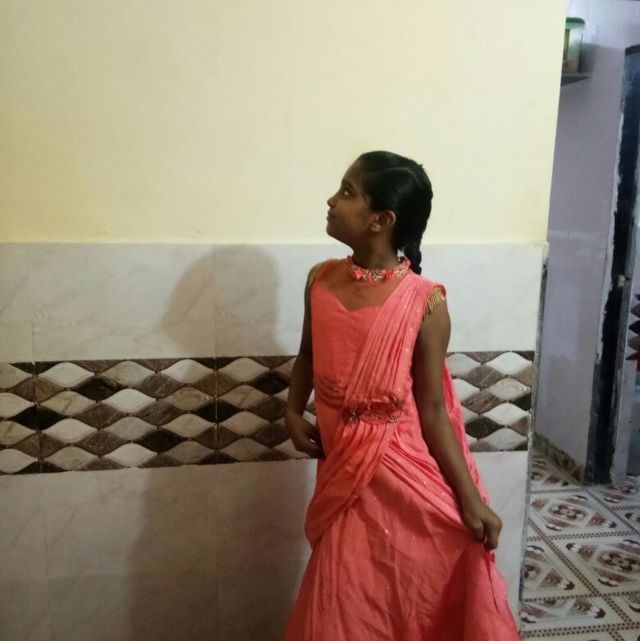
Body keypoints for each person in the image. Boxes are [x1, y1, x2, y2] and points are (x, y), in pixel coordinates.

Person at [282, 151, 521, 640]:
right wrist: (291, 409)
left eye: (347, 192)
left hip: (406, 477)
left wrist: (470, 499)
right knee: (341, 602)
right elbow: (307, 354)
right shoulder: (319, 280)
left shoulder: (425, 301)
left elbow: (432, 410)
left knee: (414, 596)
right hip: (345, 477)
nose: (331, 200)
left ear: (381, 220)